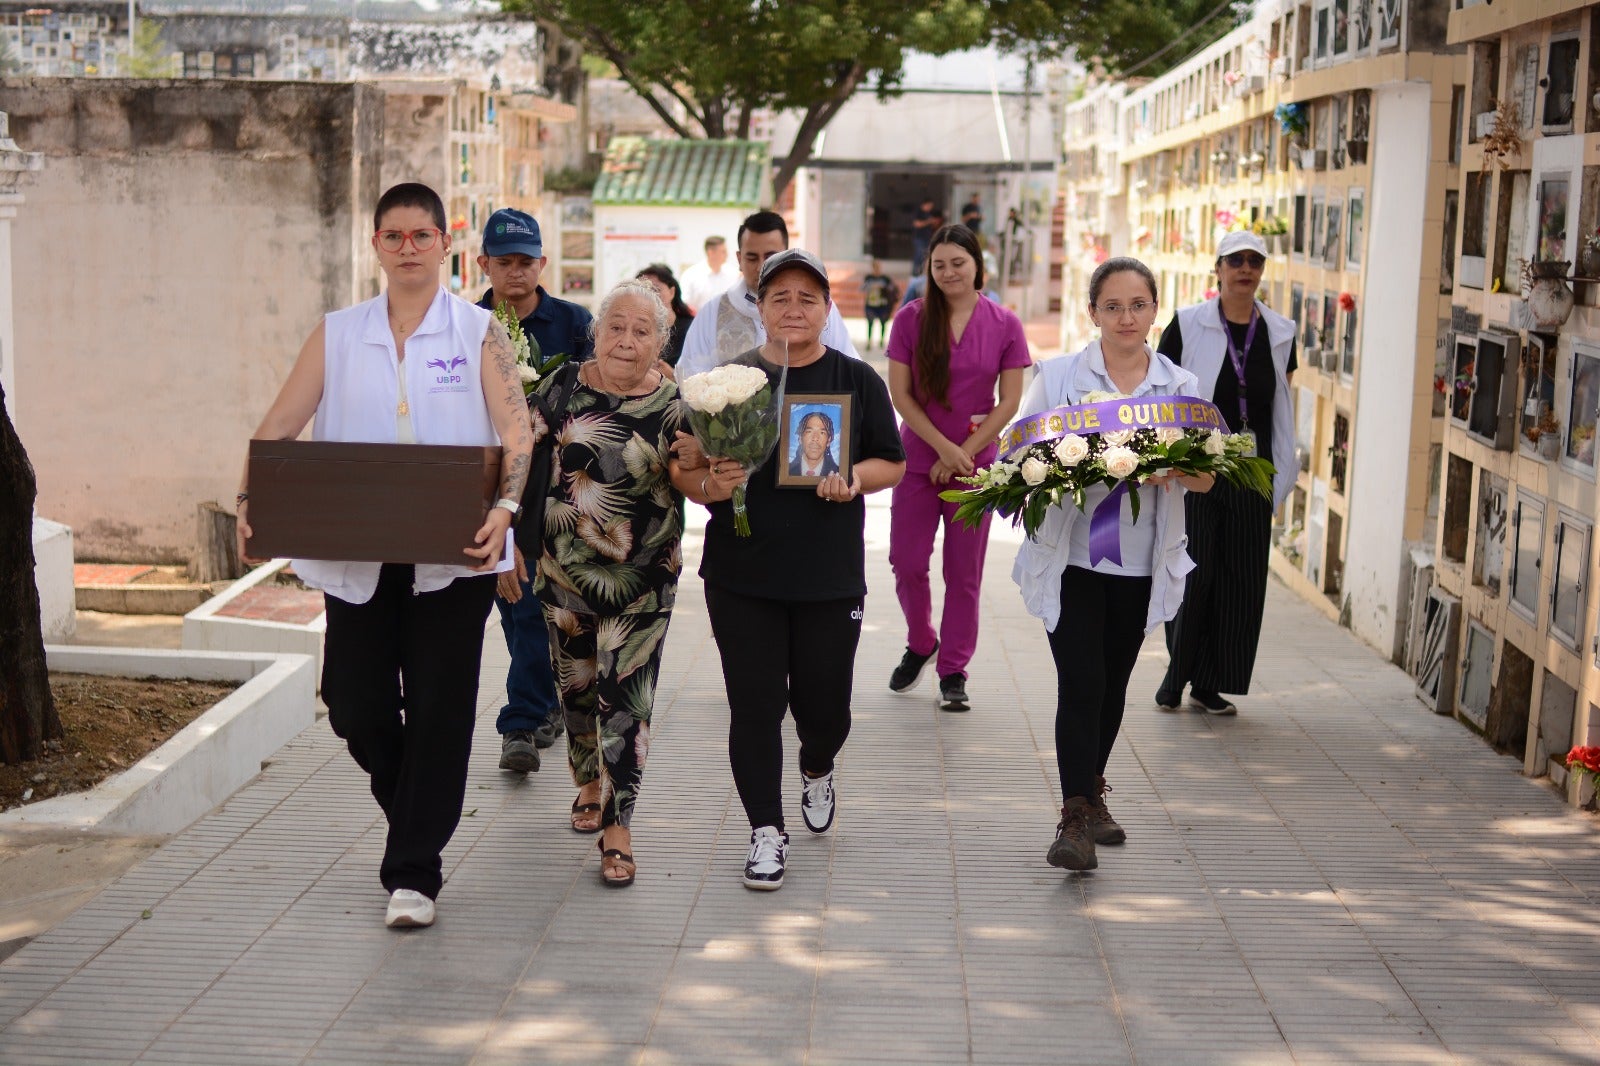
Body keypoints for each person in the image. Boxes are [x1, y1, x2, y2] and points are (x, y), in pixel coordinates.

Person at [236, 182, 533, 928]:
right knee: (355, 703)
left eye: (421, 236)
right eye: (393, 236)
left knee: (440, 710)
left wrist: (506, 509)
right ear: (376, 245)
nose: (408, 248)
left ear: (444, 244)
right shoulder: (337, 333)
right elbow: (279, 425)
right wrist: (249, 501)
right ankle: (416, 807)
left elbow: (518, 433)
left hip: (454, 552)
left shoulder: (478, 333)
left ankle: (414, 873)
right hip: (358, 552)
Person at [695, 249, 905, 891]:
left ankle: (818, 764)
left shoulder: (856, 379)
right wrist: (711, 480)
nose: (793, 308)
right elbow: (690, 469)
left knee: (826, 708)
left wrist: (852, 481)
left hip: (827, 574)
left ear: (825, 309)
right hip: (742, 573)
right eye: (778, 296)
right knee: (754, 705)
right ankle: (766, 830)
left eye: (807, 298)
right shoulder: (728, 380)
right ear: (758, 307)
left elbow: (890, 462)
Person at [1010, 256, 1213, 872]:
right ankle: (1073, 820)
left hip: (1141, 563)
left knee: (1115, 684)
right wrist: (1065, 464)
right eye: (1113, 306)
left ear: (1156, 310)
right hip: (1073, 557)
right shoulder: (1061, 376)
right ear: (1091, 311)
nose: (1127, 318)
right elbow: (1018, 452)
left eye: (1139, 305)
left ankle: (1094, 794)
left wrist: (1171, 468)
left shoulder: (1181, 388)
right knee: (1082, 683)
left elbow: (1207, 477)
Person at [506, 278, 698, 887]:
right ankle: (587, 781)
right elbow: (516, 465)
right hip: (563, 577)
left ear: (661, 343)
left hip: (642, 584)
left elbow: (691, 479)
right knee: (579, 691)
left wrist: (717, 476)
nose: (626, 340)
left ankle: (619, 828)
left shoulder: (676, 406)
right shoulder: (560, 389)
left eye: (643, 331)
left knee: (628, 705)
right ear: (597, 331)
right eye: (616, 326)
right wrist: (509, 542)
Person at [886, 224, 1030, 712]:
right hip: (919, 460)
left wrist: (964, 452)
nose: (948, 272)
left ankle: (954, 669)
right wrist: (943, 448)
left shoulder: (1006, 323)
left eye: (958, 263)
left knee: (963, 573)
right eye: (939, 264)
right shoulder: (910, 319)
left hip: (976, 466)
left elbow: (1009, 401)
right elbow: (900, 395)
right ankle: (922, 639)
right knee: (905, 562)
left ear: (977, 265)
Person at [1153, 230, 1298, 717]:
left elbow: (1280, 400)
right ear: (1217, 268)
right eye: (1235, 260)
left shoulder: (1280, 332)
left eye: (1254, 261)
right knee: (1193, 572)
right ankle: (1176, 676)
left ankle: (1211, 684)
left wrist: (1281, 473)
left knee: (1239, 580)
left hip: (1253, 470)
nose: (1245, 269)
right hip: (1199, 465)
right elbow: (1163, 386)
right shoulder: (1189, 323)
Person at [476, 207, 595, 774]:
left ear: (543, 262)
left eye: (526, 262)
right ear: (484, 264)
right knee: (513, 607)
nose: (516, 273)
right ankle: (540, 704)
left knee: (526, 603)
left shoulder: (574, 323)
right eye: (505, 263)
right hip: (479, 483)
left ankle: (520, 723)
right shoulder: (464, 324)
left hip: (551, 486)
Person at [677, 211, 859, 376]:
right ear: (739, 259)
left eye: (770, 256)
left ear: (786, 254)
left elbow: (847, 369)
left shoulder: (817, 307)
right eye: (752, 257)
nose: (761, 266)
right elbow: (691, 377)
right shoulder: (713, 312)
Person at [635, 263, 693, 376]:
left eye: (656, 289)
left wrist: (674, 376)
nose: (650, 294)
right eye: (643, 290)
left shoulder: (692, 329)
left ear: (672, 292)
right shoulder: (631, 331)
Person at [680, 235, 739, 312]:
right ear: (711, 252)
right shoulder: (691, 275)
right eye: (723, 252)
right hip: (700, 321)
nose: (727, 255)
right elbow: (685, 304)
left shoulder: (733, 274)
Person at [787, 410, 842, 477]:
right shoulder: (785, 472)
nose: (815, 438)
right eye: (809, 431)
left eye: (822, 433)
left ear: (828, 440)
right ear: (800, 438)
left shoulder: (839, 474)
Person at [860, 259, 897, 350]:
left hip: (882, 304)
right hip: (871, 304)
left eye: (878, 267)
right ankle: (869, 341)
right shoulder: (869, 278)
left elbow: (892, 288)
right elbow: (862, 288)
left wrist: (884, 287)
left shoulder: (885, 278)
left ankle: (881, 340)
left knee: (883, 323)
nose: (877, 269)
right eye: (875, 267)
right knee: (870, 323)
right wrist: (870, 286)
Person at [910, 198, 939, 277]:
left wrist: (934, 222)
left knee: (925, 255)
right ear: (925, 204)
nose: (930, 208)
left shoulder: (928, 213)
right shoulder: (918, 212)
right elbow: (917, 224)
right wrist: (928, 221)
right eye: (929, 206)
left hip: (927, 237)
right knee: (918, 254)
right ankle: (915, 273)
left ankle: (922, 272)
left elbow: (930, 225)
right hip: (919, 237)